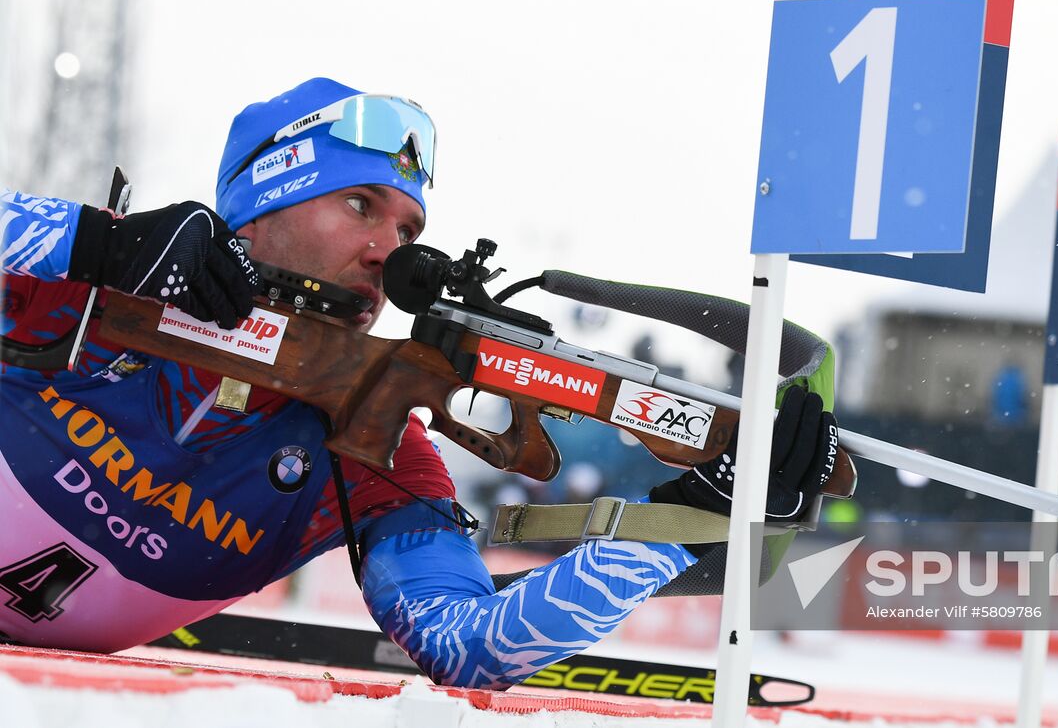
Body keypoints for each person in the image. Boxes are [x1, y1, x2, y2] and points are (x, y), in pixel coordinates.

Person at [0, 77, 839, 689]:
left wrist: (688, 519)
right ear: (262, 205)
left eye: (408, 228)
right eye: (361, 205)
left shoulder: (372, 435)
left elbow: (474, 647)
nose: (387, 253)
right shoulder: (92, 282)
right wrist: (90, 246)